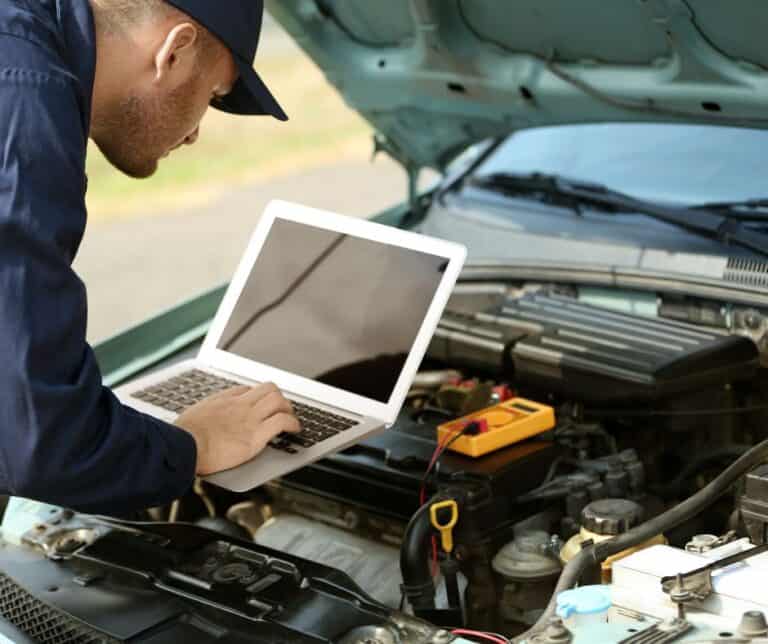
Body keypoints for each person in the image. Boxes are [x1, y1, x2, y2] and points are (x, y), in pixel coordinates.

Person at [0, 0, 301, 514]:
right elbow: (42, 441)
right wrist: (193, 447)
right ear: (175, 51)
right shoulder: (26, 102)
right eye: (211, 95)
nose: (194, 132)